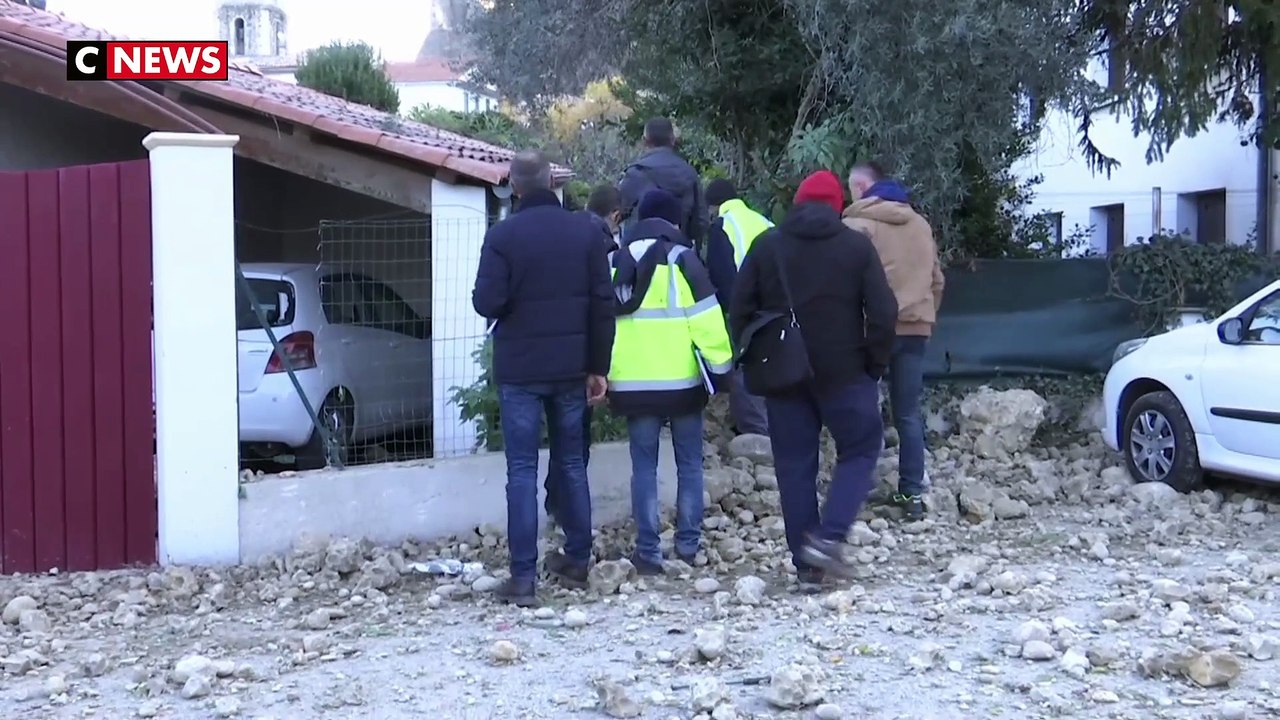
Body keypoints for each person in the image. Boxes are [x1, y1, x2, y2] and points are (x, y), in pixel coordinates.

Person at [729, 170, 897, 586]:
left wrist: (758, 358)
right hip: (846, 372)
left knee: (794, 467)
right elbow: (883, 313)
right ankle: (829, 536)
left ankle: (807, 568)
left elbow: (740, 308)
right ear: (837, 206)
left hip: (785, 374)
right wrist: (874, 365)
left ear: (798, 203)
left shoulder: (767, 245)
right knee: (860, 449)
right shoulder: (855, 247)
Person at [472, 150, 615, 606]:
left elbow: (486, 303)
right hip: (572, 367)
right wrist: (598, 367)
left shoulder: (503, 236)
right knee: (571, 463)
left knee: (522, 470)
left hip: (521, 370)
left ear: (514, 186)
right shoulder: (585, 233)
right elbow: (603, 304)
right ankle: (577, 558)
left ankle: (522, 579)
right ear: (553, 181)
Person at [609, 189, 733, 574]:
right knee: (689, 464)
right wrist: (722, 370)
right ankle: (688, 546)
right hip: (683, 385)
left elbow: (600, 321)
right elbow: (707, 320)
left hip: (632, 386)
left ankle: (648, 551)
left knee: (643, 468)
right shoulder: (683, 259)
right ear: (675, 221)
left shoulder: (616, 261)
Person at [843, 161, 945, 521]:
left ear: (860, 186)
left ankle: (857, 489)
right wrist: (923, 312)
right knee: (908, 414)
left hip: (871, 330)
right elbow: (937, 280)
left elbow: (845, 280)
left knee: (862, 410)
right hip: (916, 329)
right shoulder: (920, 225)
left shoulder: (857, 224)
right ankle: (911, 493)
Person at [544, 184, 624, 524]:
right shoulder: (601, 244)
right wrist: (598, 365)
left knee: (558, 434)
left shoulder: (563, 233)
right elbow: (603, 307)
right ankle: (570, 514)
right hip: (580, 353)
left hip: (548, 348)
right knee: (576, 439)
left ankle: (554, 500)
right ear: (615, 216)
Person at [704, 178, 773, 437]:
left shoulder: (722, 226)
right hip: (777, 308)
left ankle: (756, 434)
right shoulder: (764, 221)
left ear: (713, 206)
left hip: (746, 310)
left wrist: (730, 315)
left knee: (746, 368)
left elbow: (720, 275)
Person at [618, 117, 706, 248]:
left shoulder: (635, 173)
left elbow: (618, 213)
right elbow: (701, 221)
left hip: (639, 252)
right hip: (678, 250)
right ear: (672, 140)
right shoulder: (689, 173)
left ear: (644, 141)